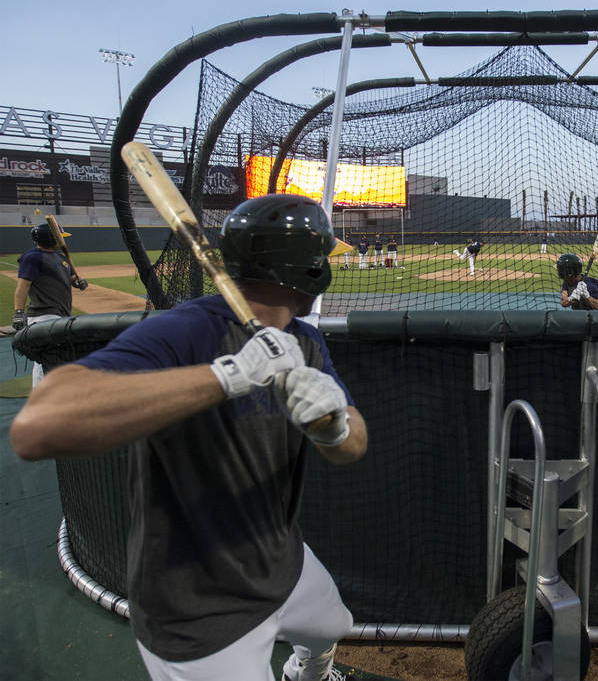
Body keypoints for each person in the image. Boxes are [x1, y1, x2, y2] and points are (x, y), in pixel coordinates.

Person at [11, 194, 368, 681]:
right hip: (196, 606)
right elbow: (38, 427)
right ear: (306, 271)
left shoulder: (305, 340)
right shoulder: (187, 329)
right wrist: (227, 376)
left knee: (331, 625)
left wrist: (332, 426)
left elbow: (353, 447)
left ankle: (309, 672)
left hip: (281, 560)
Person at [13, 222, 88, 386]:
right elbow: (23, 286)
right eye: (60, 237)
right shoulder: (33, 257)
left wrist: (78, 282)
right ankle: (40, 397)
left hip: (61, 314)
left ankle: (55, 392)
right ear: (51, 238)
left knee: (58, 356)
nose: (63, 241)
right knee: (44, 359)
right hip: (43, 315)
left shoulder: (61, 258)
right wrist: (19, 312)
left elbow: (68, 279)